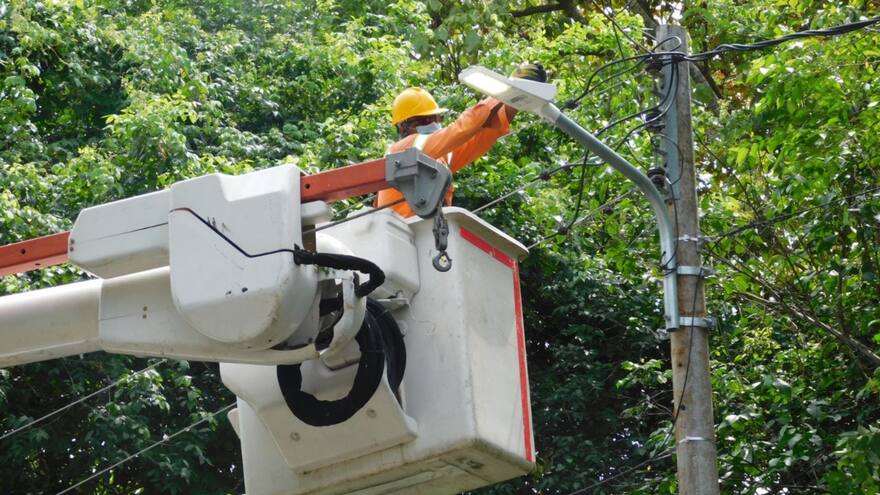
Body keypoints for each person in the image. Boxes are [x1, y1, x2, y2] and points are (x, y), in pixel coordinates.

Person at [375, 63, 547, 217]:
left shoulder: (439, 158)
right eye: (426, 119)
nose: (434, 123)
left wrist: (515, 97)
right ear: (403, 126)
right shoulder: (402, 150)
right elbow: (461, 130)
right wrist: (507, 87)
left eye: (435, 118)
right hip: (403, 237)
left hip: (425, 238)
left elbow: (479, 139)